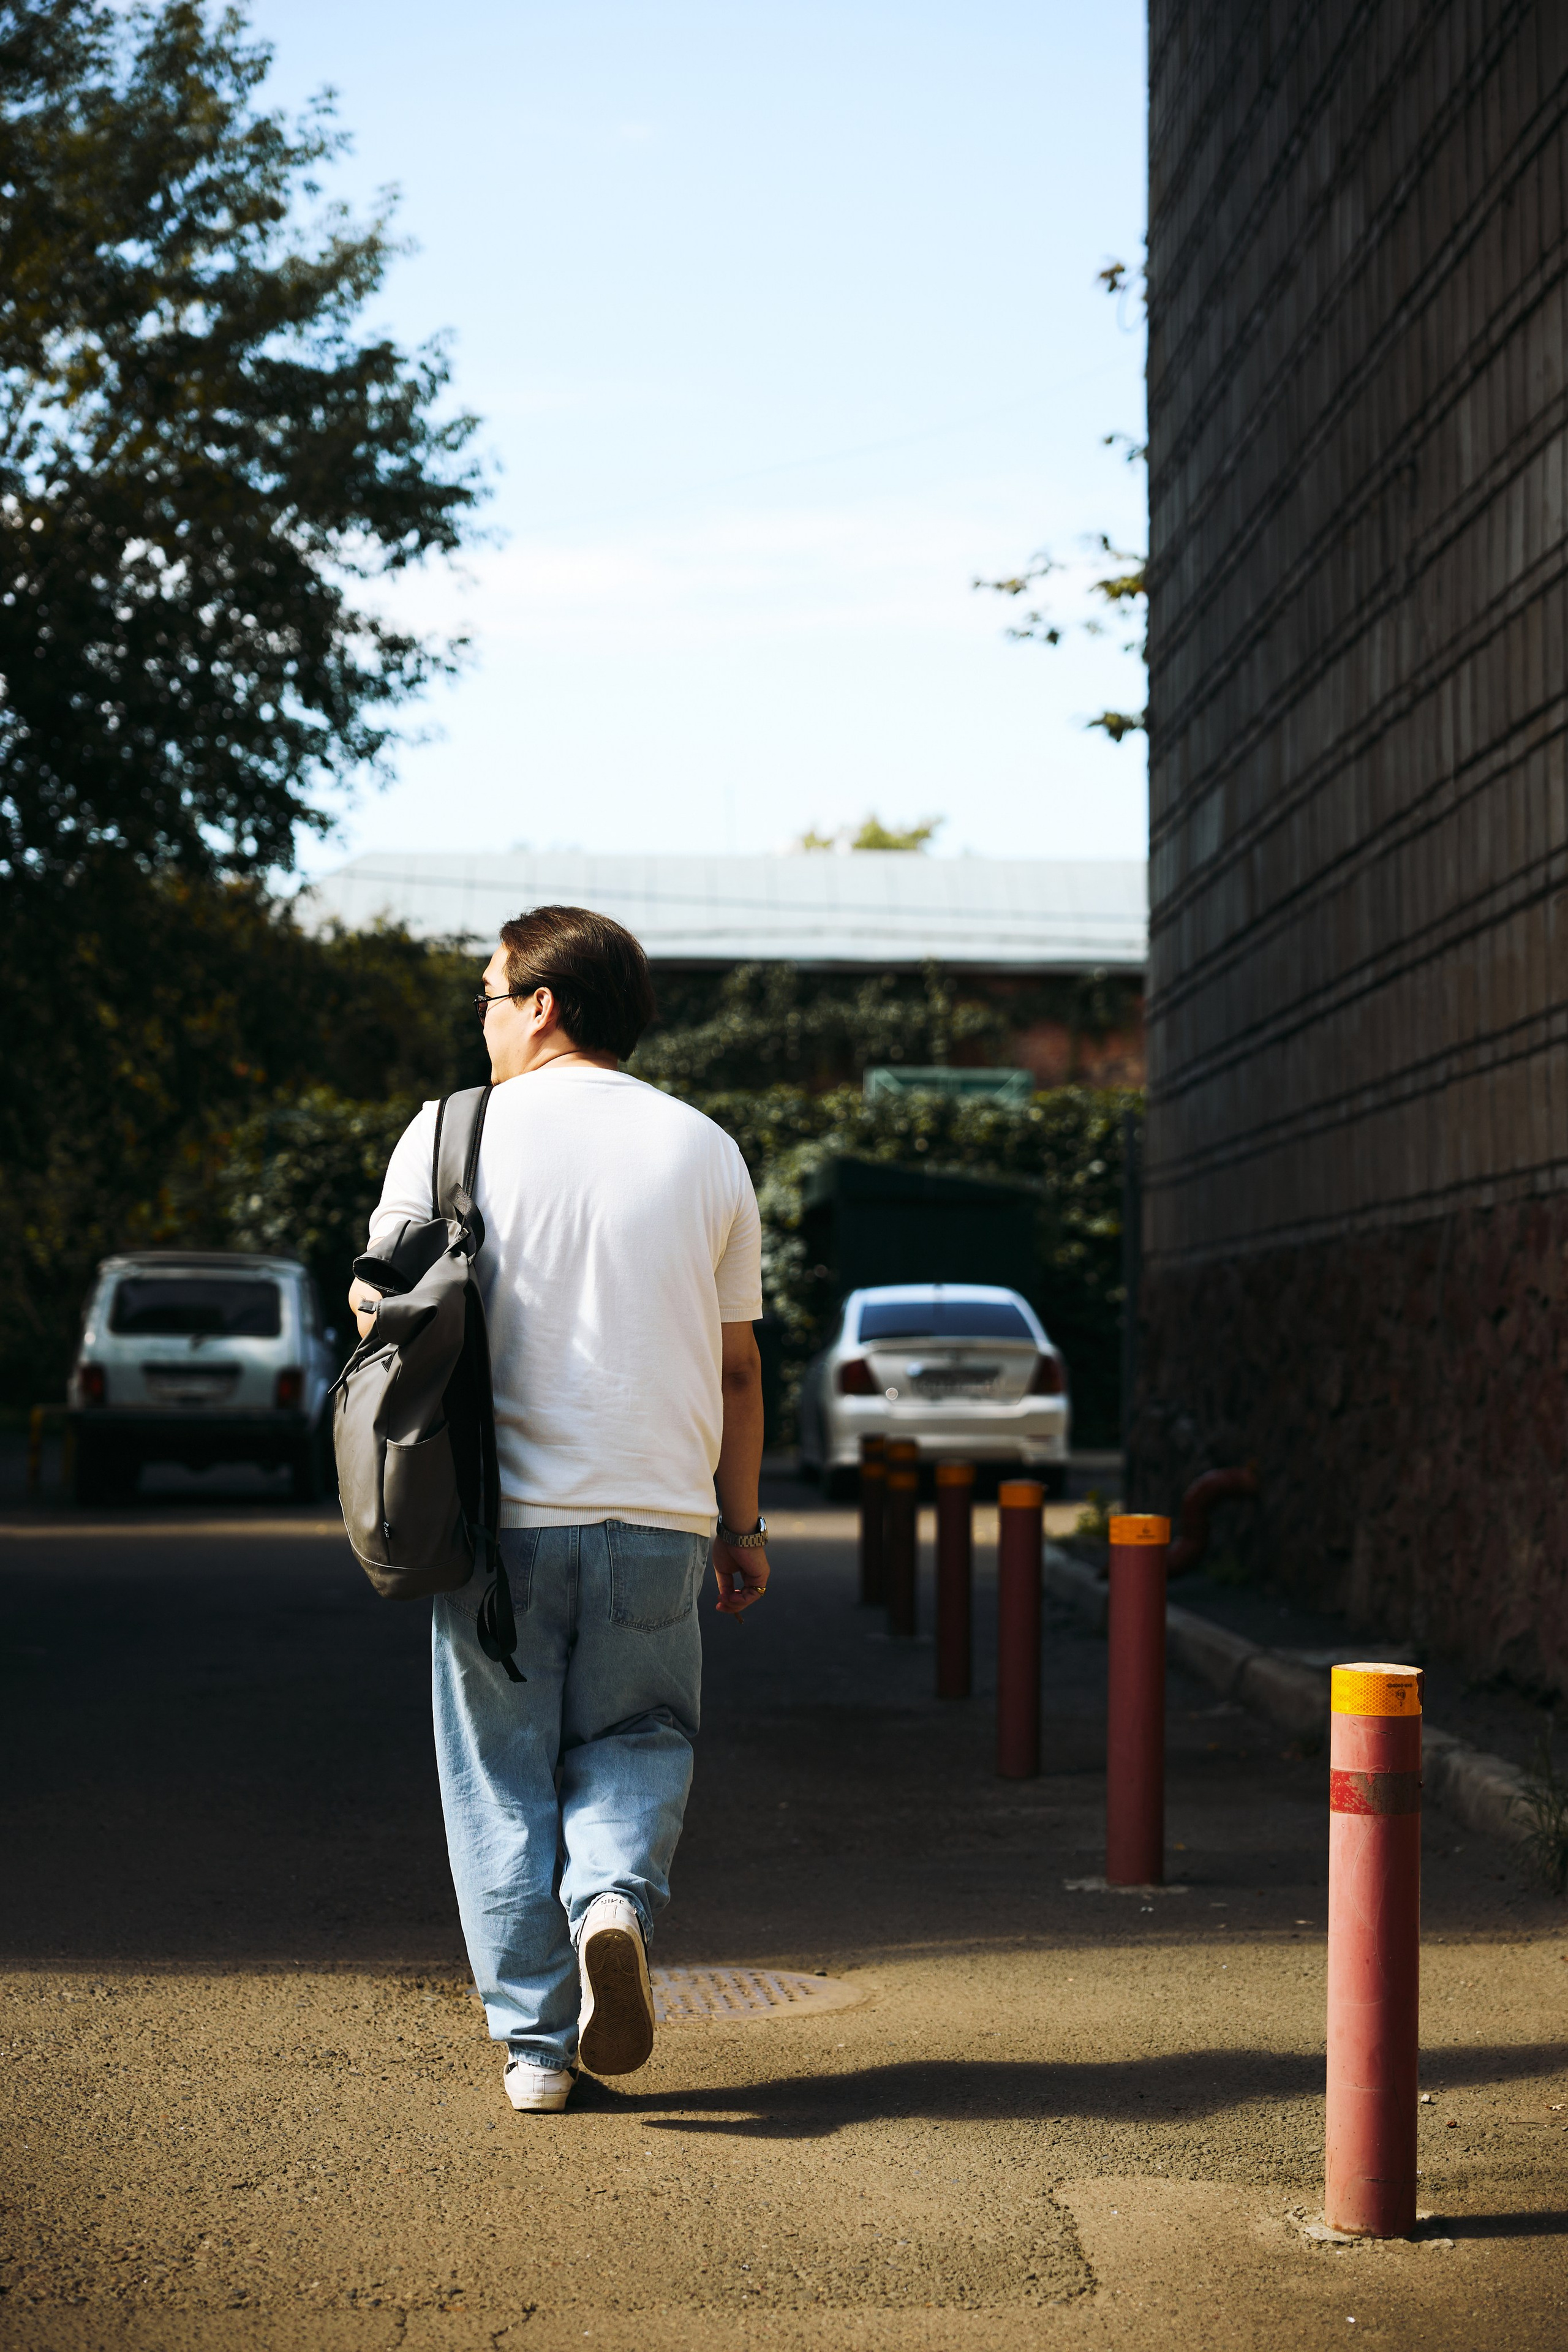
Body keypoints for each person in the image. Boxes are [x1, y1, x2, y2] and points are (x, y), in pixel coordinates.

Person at [349, 904, 769, 2114]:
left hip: (490, 1525)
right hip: (657, 1516)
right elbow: (738, 1369)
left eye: (487, 996)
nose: (480, 1019)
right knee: (638, 1738)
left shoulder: (443, 1138)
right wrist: (738, 1528)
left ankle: (538, 2053)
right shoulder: (703, 1148)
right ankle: (616, 1906)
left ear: (540, 1003)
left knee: (499, 1773)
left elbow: (385, 1323)